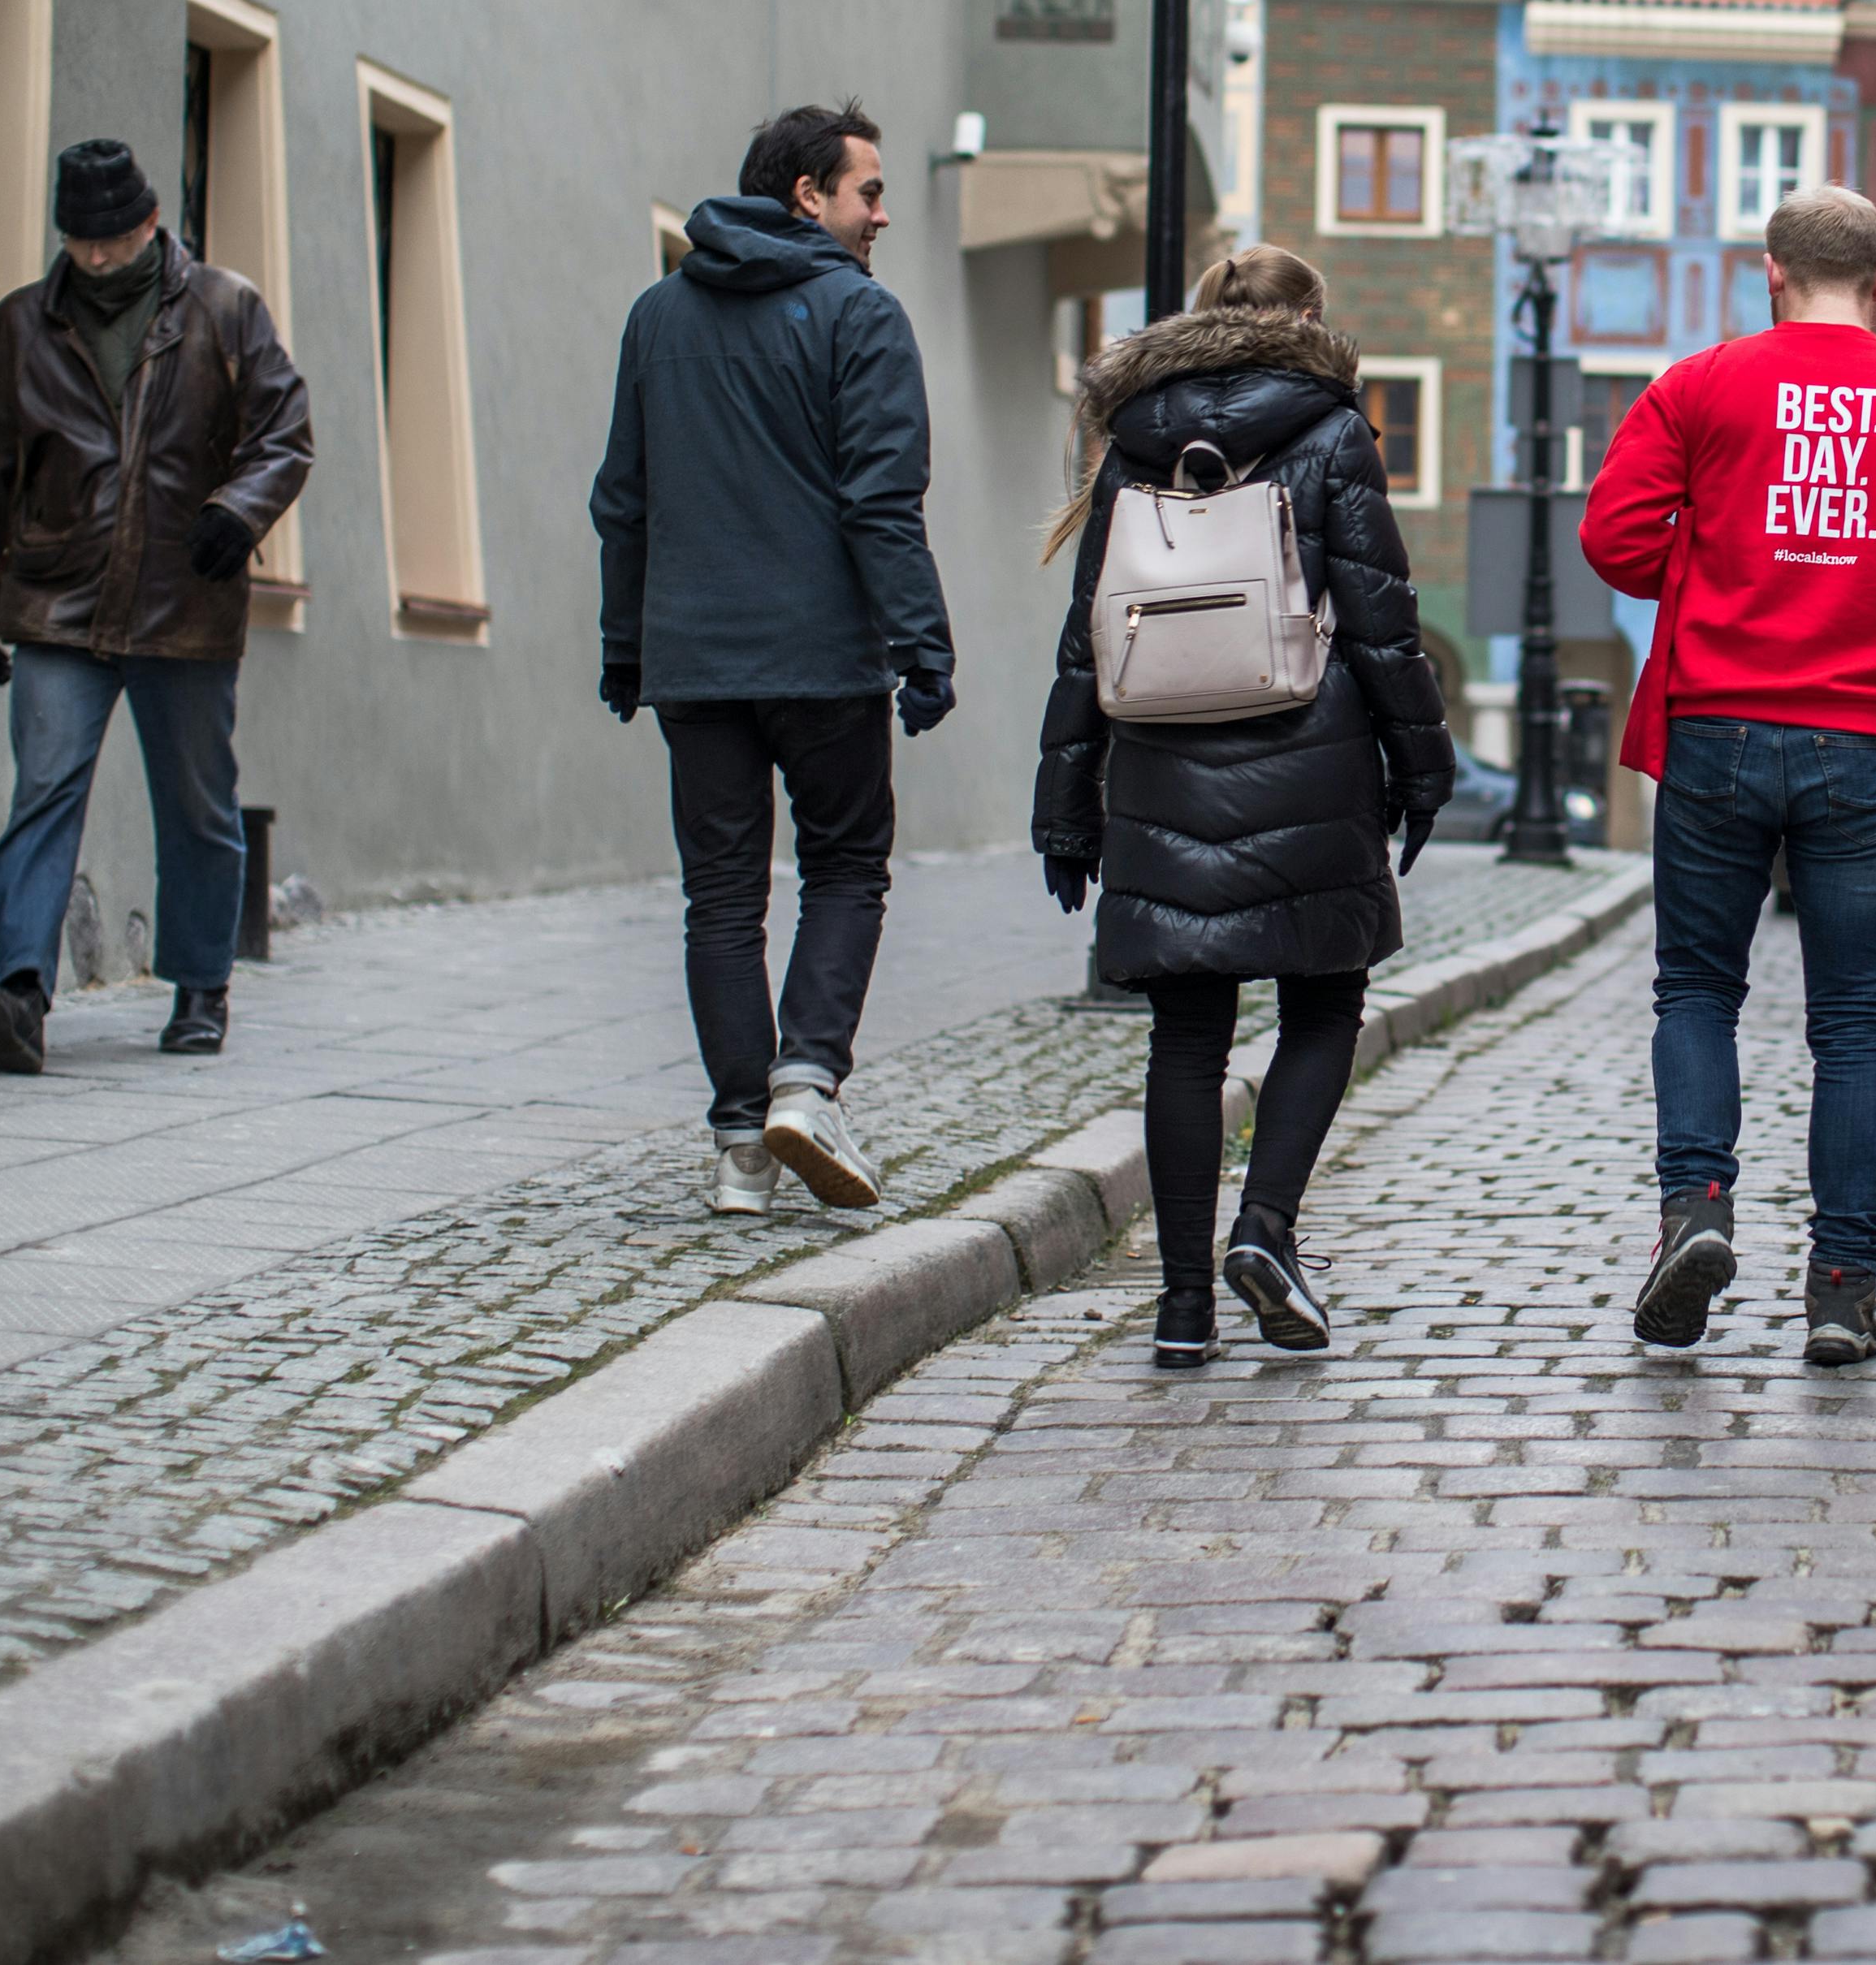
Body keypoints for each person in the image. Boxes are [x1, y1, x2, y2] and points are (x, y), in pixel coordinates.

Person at [1580, 183, 1876, 1367]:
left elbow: (1614, 537)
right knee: (1852, 1025)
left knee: (1696, 988)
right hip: (1862, 745)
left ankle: (1697, 1208)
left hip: (1719, 727)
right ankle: (1841, 1285)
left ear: (1769, 271)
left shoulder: (1700, 385)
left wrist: (1713, 552)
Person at [1032, 245, 1455, 1370]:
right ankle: (1263, 1226)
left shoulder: (1129, 442)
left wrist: (1064, 799)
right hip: (1308, 761)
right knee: (1322, 1003)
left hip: (1161, 763)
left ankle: (1180, 1307)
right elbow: (1380, 620)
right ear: (1310, 319)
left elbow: (1089, 633)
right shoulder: (1332, 433)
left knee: (1186, 1030)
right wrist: (1423, 768)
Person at [592, 104, 954, 1219]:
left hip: (693, 661)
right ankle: (805, 1079)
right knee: (846, 868)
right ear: (809, 194)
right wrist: (922, 648)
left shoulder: (658, 317)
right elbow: (882, 501)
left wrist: (625, 648)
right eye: (870, 192)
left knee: (720, 896)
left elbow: (623, 503)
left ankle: (741, 1144)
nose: (884, 214)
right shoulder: (860, 316)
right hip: (823, 660)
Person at [0, 138, 313, 1073]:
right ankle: (22, 992)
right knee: (43, 789)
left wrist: (237, 512)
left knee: (196, 806)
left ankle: (199, 986)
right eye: (81, 242)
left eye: (113, 240)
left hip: (182, 600)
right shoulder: (24, 324)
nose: (98, 258)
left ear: (150, 222)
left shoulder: (225, 308)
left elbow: (287, 431)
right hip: (56, 600)